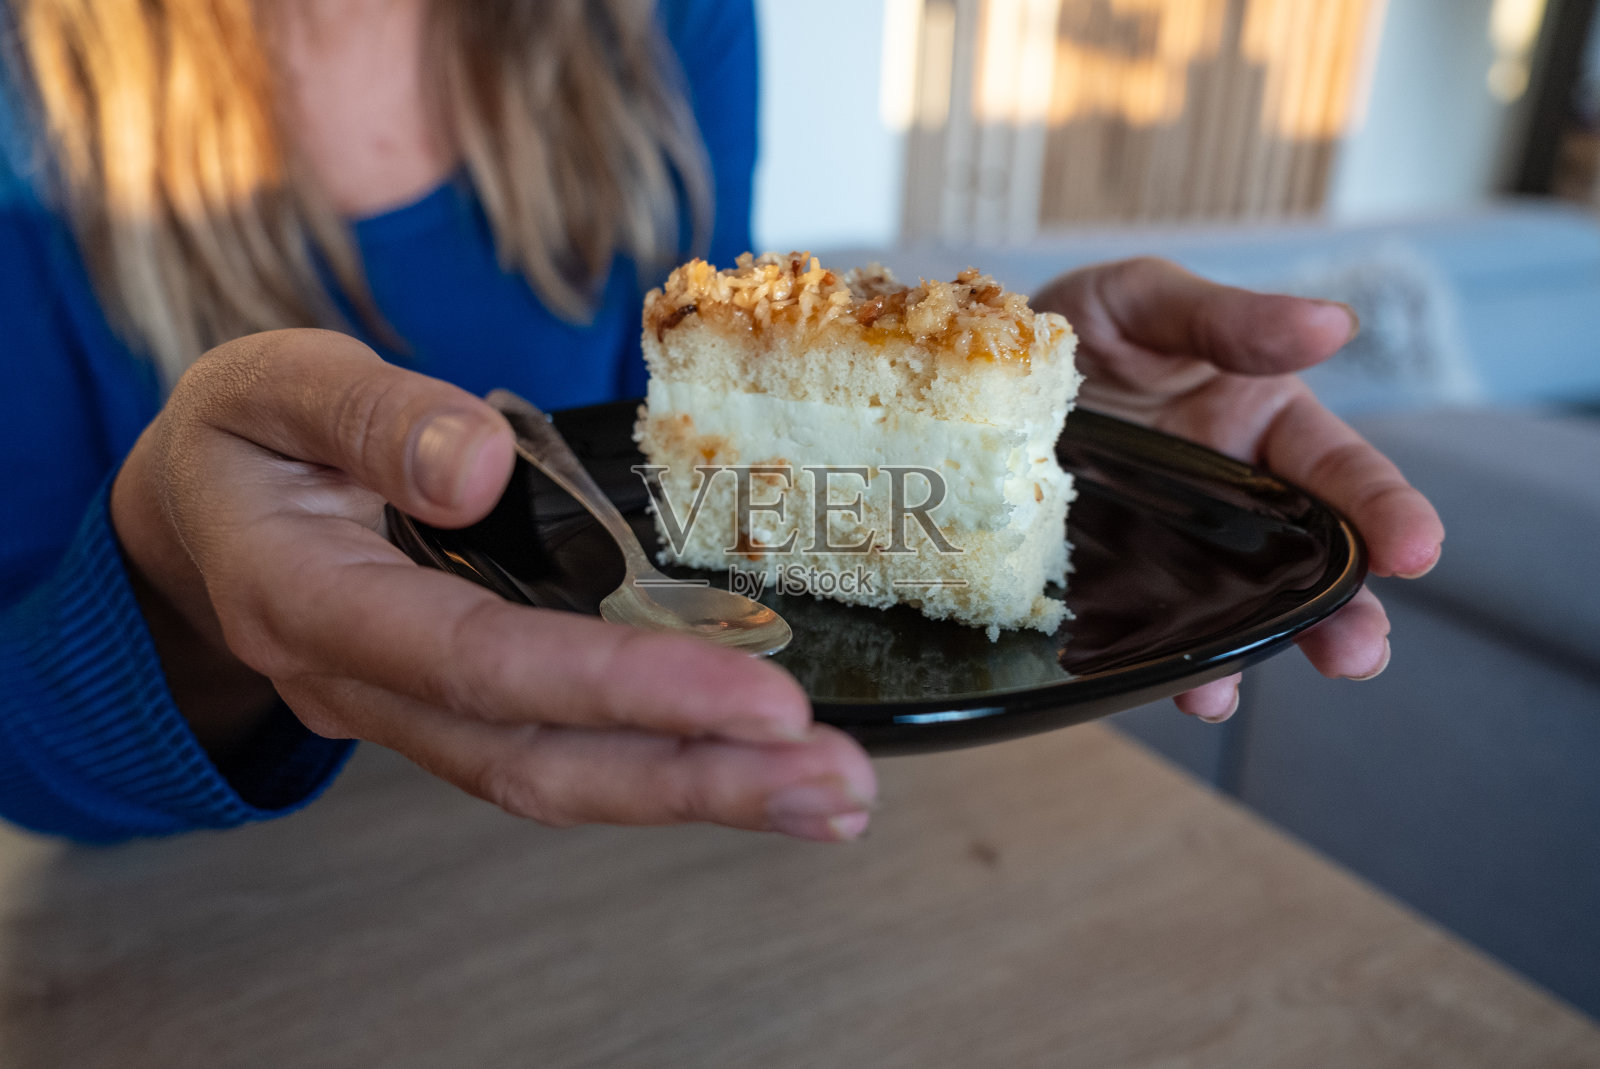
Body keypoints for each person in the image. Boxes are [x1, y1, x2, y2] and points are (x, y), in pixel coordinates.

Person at [0, 0, 1443, 844]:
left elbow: (700, 386)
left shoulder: (654, 25)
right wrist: (183, 596)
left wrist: (1018, 448)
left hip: (682, 849)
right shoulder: (31, 125)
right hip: (226, 924)